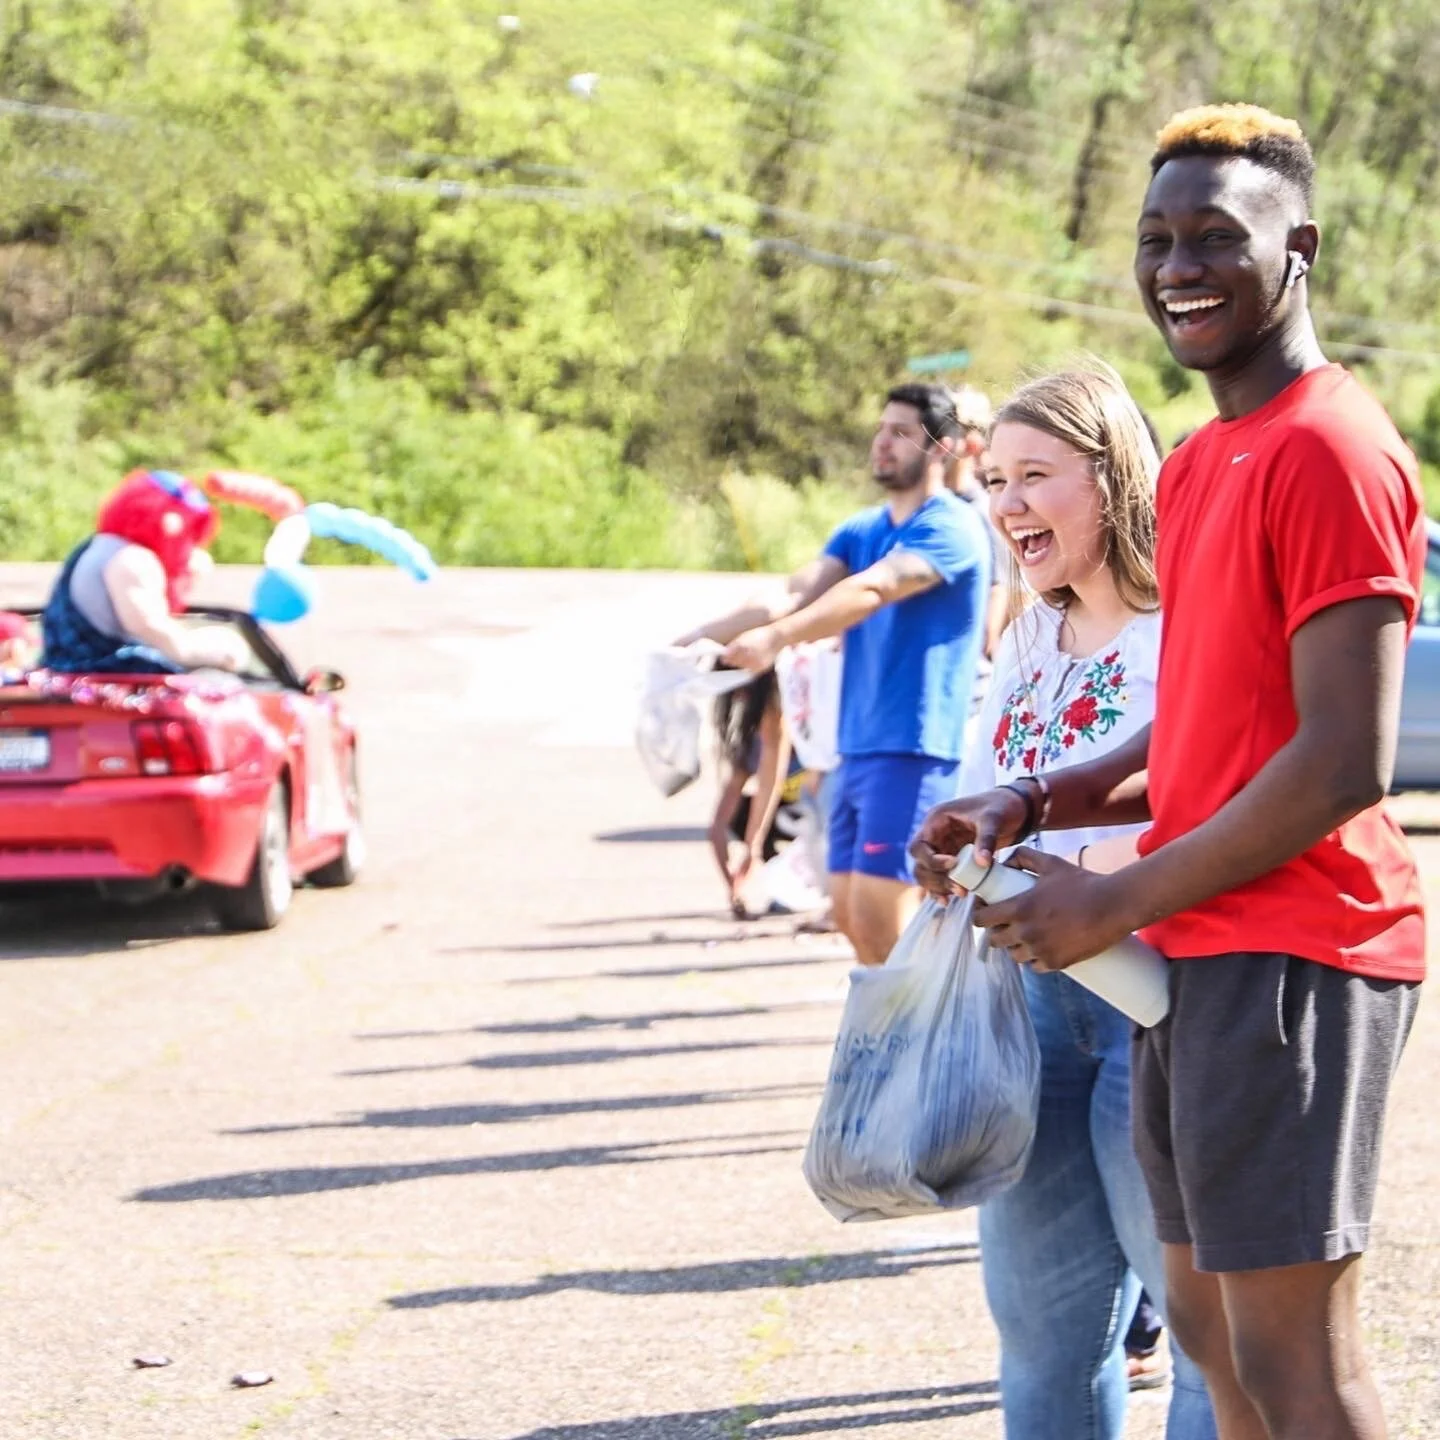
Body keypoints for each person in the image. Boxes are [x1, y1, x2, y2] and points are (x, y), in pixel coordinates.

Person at [912, 104, 1425, 1440]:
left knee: (1293, 1357)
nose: (1178, 267)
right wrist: (1031, 798)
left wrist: (1112, 905)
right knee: (1205, 1331)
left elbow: (1340, 762)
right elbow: (1197, 734)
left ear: (1298, 246)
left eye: (1216, 235)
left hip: (1301, 954)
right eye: (1156, 238)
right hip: (1190, 957)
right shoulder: (1202, 462)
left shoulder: (1332, 445)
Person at [940, 364, 1215, 1440]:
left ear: (1112, 480)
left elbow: (1223, 800)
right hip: (1024, 1015)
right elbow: (980, 800)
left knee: (1204, 1335)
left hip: (1155, 1004)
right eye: (997, 478)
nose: (1006, 504)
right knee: (1043, 1336)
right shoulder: (1023, 642)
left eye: (1035, 475)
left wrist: (1099, 875)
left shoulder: (1186, 631)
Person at [676, 382, 991, 966]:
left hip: (916, 749)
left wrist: (776, 640)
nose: (883, 442)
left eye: (901, 432)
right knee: (847, 913)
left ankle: (924, 1046)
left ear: (942, 447)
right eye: (881, 429)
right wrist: (701, 635)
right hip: (856, 751)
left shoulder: (952, 527)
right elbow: (794, 592)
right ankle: (894, 1043)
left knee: (881, 914)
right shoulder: (859, 529)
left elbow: (875, 588)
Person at [42, 470, 249, 674]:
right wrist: (195, 650)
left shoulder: (97, 547)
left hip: (64, 670)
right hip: (100, 674)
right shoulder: (132, 559)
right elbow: (148, 626)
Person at [708, 667, 795, 917]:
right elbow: (718, 824)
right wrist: (733, 884)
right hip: (788, 806)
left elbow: (770, 783)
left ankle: (802, 884)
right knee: (741, 818)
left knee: (765, 823)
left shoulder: (781, 721)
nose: (738, 699)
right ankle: (784, 882)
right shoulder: (751, 738)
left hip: (808, 807)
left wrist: (753, 845)